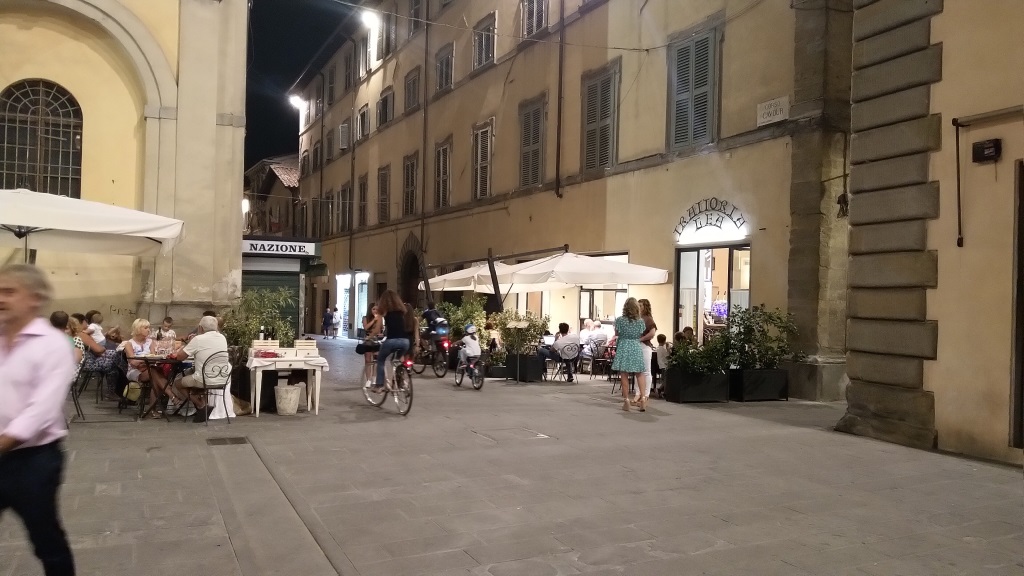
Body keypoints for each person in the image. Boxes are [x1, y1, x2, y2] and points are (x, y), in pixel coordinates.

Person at [0, 264, 77, 575]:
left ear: (34, 298)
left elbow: (40, 411)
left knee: (45, 538)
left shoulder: (52, 344)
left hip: (33, 461)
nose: (1, 298)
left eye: (8, 291)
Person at [168, 315, 229, 423]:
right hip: (222, 378)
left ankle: (201, 404)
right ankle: (201, 403)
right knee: (192, 373)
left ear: (200, 328)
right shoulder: (222, 338)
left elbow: (180, 357)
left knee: (178, 383)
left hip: (203, 379)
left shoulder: (198, 339)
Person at [373, 290, 414, 392]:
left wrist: (369, 337)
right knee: (397, 361)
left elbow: (378, 329)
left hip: (392, 340)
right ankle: (400, 383)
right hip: (405, 342)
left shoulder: (384, 312)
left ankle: (379, 385)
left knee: (381, 359)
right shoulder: (402, 312)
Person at [613, 297, 648, 412]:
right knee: (640, 373)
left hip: (624, 345)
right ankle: (643, 398)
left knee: (624, 374)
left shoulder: (620, 320)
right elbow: (641, 333)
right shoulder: (640, 321)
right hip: (636, 346)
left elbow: (617, 333)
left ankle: (626, 400)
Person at [636, 299, 658, 405]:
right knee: (638, 371)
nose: (639, 307)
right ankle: (638, 393)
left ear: (645, 307)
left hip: (644, 346)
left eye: (641, 305)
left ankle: (646, 394)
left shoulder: (648, 319)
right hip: (637, 346)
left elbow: (652, 333)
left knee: (646, 371)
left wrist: (641, 339)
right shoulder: (637, 318)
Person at [360, 306, 382, 387]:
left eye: (376, 309)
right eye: (373, 309)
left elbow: (381, 329)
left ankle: (374, 378)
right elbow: (366, 328)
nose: (375, 311)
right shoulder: (365, 318)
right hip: (368, 340)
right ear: (370, 310)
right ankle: (368, 379)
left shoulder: (379, 318)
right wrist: (373, 321)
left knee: (376, 360)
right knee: (368, 360)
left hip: (376, 340)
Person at [654, 333, 672, 399]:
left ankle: (661, 390)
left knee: (664, 379)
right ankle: (662, 391)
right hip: (665, 365)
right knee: (666, 380)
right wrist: (668, 348)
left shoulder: (658, 348)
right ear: (665, 340)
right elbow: (668, 356)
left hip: (661, 365)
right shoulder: (663, 349)